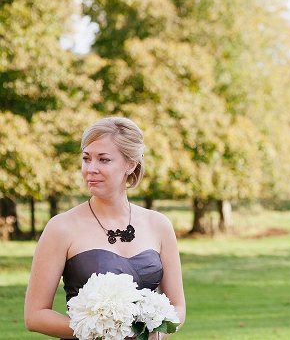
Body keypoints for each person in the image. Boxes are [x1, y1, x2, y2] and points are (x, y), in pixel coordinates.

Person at [24, 117, 186, 340]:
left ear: (131, 164)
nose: (91, 169)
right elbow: (35, 316)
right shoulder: (61, 227)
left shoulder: (159, 225)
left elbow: (177, 307)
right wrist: (103, 331)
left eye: (104, 159)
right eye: (86, 158)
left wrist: (151, 336)